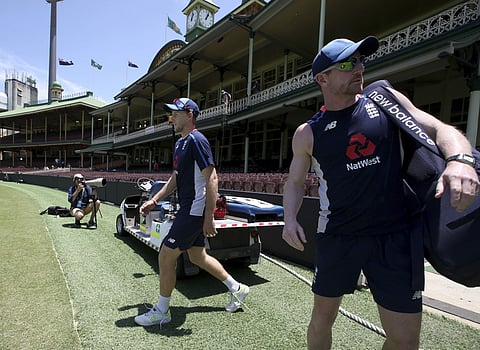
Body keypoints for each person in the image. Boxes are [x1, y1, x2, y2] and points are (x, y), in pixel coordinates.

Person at [282, 36, 479, 350]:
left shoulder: (384, 100)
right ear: (323, 79)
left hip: (395, 236)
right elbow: (294, 182)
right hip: (338, 235)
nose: (359, 68)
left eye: (361, 61)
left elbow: (442, 129)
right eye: (348, 64)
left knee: (404, 341)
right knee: (322, 319)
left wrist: (461, 160)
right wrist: (289, 218)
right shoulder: (308, 133)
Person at [134, 97, 249, 327]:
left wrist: (209, 217)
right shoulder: (180, 143)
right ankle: (237, 288)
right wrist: (154, 199)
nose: (172, 118)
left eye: (176, 113)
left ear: (189, 115)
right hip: (189, 209)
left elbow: (213, 178)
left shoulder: (197, 140)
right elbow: (175, 179)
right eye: (171, 113)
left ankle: (163, 311)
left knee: (165, 256)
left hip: (194, 211)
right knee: (198, 256)